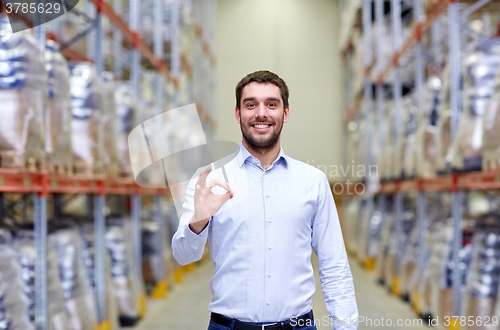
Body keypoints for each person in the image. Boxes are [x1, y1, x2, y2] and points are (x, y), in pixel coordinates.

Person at [172, 70, 358, 330]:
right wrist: (198, 221)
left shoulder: (312, 181)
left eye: (271, 104)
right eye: (251, 105)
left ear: (286, 113)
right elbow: (183, 256)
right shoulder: (210, 179)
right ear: (238, 114)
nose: (261, 113)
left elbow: (334, 264)